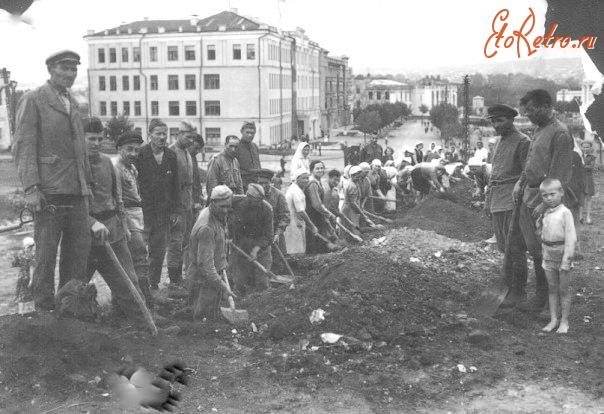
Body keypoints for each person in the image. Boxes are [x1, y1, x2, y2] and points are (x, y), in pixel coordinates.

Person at [12, 50, 92, 311]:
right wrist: (31, 188)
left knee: (76, 252)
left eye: (73, 69)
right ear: (50, 70)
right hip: (49, 190)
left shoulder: (73, 102)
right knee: (46, 254)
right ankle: (44, 310)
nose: (69, 74)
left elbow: (80, 150)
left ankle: (69, 307)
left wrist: (87, 186)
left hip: (76, 190)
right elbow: (24, 145)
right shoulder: (34, 99)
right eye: (64, 68)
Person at [80, 117, 146, 325]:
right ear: (80, 138)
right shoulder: (74, 165)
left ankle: (143, 324)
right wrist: (91, 223)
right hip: (84, 236)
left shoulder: (107, 162)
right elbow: (73, 207)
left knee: (129, 280)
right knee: (77, 285)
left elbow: (117, 198)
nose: (96, 143)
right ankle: (75, 328)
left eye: (100, 139)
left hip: (113, 230)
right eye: (91, 139)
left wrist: (123, 225)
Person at [513, 89, 573, 312]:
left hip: (547, 201)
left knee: (548, 252)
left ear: (546, 106)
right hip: (530, 196)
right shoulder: (539, 129)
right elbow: (532, 161)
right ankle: (541, 296)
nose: (527, 114)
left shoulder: (560, 133)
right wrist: (520, 181)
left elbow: (560, 174)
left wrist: (545, 204)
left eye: (531, 110)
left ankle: (547, 301)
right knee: (536, 251)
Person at [484, 103, 531, 307]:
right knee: (504, 247)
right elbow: (494, 174)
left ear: (511, 120)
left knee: (515, 247)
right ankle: (507, 287)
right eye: (493, 121)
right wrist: (488, 200)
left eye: (500, 120)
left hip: (513, 200)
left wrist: (519, 188)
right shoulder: (498, 142)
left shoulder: (523, 141)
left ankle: (519, 291)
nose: (496, 125)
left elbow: (527, 171)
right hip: (497, 199)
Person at [135, 118, 181, 290]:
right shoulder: (140, 154)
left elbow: (175, 185)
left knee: (159, 249)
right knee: (140, 248)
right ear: (150, 135)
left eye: (165, 134)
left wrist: (175, 210)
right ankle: (139, 285)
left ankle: (153, 284)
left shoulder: (170, 155)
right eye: (158, 134)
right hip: (144, 211)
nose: (162, 137)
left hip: (163, 212)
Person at [187, 185, 236, 320]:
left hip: (211, 275)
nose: (225, 210)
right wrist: (222, 286)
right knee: (204, 319)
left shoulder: (213, 213)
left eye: (228, 206)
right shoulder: (207, 227)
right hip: (204, 280)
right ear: (212, 202)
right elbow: (205, 266)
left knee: (209, 316)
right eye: (222, 206)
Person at [114, 131, 152, 304]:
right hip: (127, 217)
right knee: (139, 256)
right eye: (129, 149)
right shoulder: (117, 168)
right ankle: (143, 301)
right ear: (119, 149)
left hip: (137, 215)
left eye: (137, 150)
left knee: (139, 257)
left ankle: (142, 299)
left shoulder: (131, 168)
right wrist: (124, 226)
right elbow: (118, 199)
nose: (133, 154)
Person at [537, 178, 576, 333]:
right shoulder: (546, 212)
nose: (549, 198)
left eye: (552, 194)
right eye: (545, 195)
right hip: (548, 255)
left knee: (563, 290)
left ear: (561, 193)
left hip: (562, 255)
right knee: (552, 288)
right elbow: (543, 234)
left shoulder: (565, 213)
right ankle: (553, 319)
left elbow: (571, 238)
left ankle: (564, 321)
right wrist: (539, 226)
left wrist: (567, 260)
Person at [228, 183, 273, 294]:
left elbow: (268, 236)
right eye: (256, 201)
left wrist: (255, 250)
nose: (259, 203)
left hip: (261, 246)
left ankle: (262, 298)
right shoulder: (236, 201)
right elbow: (218, 206)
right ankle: (240, 298)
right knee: (240, 282)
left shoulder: (267, 209)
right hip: (239, 245)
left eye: (261, 200)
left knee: (262, 282)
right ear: (248, 196)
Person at [167, 121, 196, 286]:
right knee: (175, 242)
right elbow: (168, 184)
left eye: (193, 137)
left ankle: (180, 277)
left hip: (187, 201)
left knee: (185, 240)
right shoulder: (171, 152)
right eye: (188, 137)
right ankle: (174, 280)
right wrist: (173, 209)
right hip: (176, 204)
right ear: (179, 134)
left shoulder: (186, 152)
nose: (191, 141)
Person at [256, 168, 290, 272]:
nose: (263, 186)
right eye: (260, 183)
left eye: (265, 183)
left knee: (278, 263)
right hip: (259, 236)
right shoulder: (253, 195)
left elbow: (285, 216)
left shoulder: (279, 196)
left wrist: (278, 233)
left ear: (271, 182)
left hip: (275, 234)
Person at [305, 160, 339, 253]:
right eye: (317, 168)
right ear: (311, 170)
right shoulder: (313, 183)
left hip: (317, 214)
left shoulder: (318, 181)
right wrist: (329, 214)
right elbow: (317, 204)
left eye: (322, 168)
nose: (320, 170)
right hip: (313, 214)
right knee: (314, 239)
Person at [285, 169, 318, 254]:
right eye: (303, 178)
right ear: (297, 179)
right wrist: (312, 226)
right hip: (293, 222)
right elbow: (301, 211)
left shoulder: (297, 188)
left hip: (295, 220)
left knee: (296, 247)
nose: (306, 180)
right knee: (296, 249)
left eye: (307, 178)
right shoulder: (296, 191)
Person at [341, 166, 374, 237]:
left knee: (350, 227)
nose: (359, 179)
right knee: (353, 229)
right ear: (352, 175)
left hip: (351, 207)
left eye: (359, 177)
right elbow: (353, 203)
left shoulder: (352, 182)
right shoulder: (352, 186)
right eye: (357, 177)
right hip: (350, 209)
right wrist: (362, 214)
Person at [235, 121, 261, 190]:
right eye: (247, 132)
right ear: (241, 132)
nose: (250, 135)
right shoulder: (236, 147)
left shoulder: (254, 146)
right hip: (242, 185)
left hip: (256, 183)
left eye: (252, 133)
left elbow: (258, 165)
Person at [189, 133, 206, 214]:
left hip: (195, 201)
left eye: (199, 149)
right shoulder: (182, 158)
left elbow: (197, 179)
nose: (197, 151)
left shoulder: (193, 158)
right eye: (195, 148)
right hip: (188, 202)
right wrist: (192, 203)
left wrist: (200, 196)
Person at [580, 141, 596, 224]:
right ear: (581, 148)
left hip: (588, 179)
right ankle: (580, 216)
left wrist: (581, 166)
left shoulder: (592, 157)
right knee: (581, 197)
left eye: (587, 147)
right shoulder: (579, 156)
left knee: (588, 197)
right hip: (580, 179)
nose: (585, 149)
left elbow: (591, 167)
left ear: (590, 148)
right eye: (584, 147)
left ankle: (588, 216)